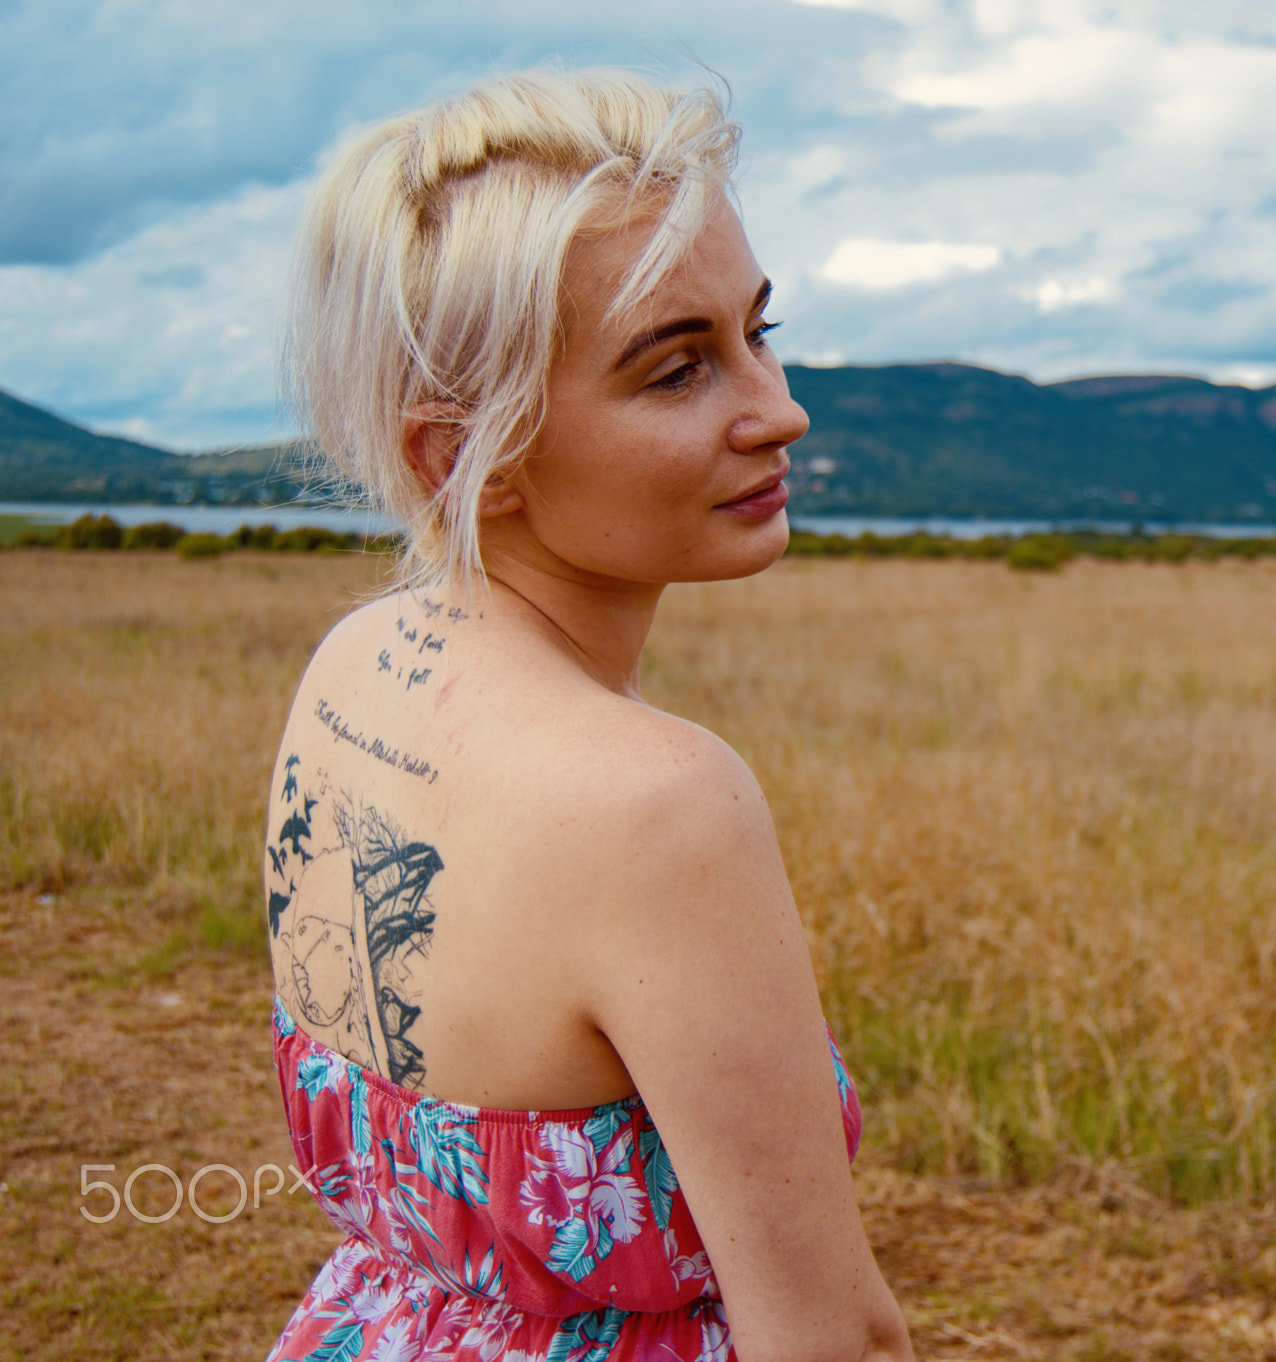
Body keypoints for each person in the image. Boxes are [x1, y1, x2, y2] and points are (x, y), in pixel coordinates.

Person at [261, 69, 915, 1362]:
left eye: (758, 330)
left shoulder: (351, 662)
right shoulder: (659, 801)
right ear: (462, 457)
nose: (778, 407)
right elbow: (832, 1335)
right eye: (678, 369)